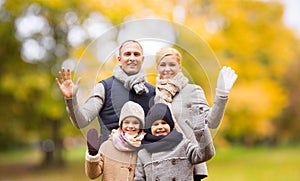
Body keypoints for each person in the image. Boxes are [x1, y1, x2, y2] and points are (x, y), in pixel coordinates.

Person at [154, 47, 237, 180]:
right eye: (162, 64)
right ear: (157, 68)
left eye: (172, 64)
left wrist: (222, 95)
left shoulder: (192, 91)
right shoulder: (155, 96)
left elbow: (212, 122)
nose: (167, 69)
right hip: (162, 166)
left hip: (188, 161)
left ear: (180, 67)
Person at [55, 40, 155, 142]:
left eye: (136, 54)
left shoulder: (152, 92)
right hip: (111, 154)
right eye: (127, 54)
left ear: (142, 59)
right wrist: (71, 99)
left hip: (143, 156)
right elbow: (82, 121)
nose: (132, 58)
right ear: (119, 60)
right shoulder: (104, 88)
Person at [134, 103, 215, 180]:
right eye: (155, 124)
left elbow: (206, 154)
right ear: (149, 128)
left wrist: (201, 133)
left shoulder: (183, 145)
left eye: (164, 123)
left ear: (170, 125)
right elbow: (139, 179)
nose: (160, 127)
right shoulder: (143, 153)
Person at [85, 101, 145, 181]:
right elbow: (92, 175)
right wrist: (93, 155)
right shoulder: (107, 146)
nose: (130, 126)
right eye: (126, 122)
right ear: (121, 124)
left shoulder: (145, 147)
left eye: (135, 123)